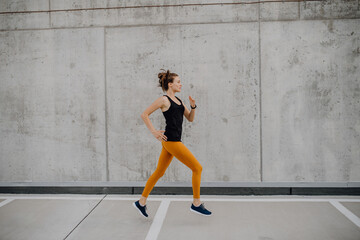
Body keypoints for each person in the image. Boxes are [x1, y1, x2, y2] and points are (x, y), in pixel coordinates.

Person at [133, 69, 212, 218]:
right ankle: (196, 204)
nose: (181, 84)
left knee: (159, 172)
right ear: (170, 84)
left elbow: (190, 118)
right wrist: (154, 131)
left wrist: (193, 106)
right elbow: (144, 114)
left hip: (172, 141)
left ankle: (141, 202)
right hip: (171, 141)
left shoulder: (180, 101)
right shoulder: (164, 100)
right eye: (178, 82)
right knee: (197, 168)